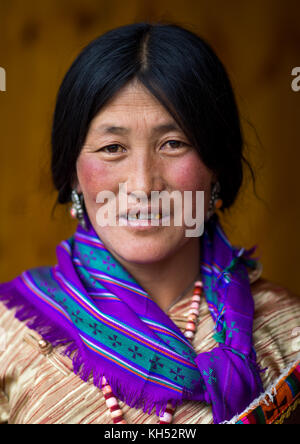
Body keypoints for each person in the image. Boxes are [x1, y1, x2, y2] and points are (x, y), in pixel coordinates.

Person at [0, 22, 299, 425]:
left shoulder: (288, 335)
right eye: (112, 148)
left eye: (173, 144)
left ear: (215, 169)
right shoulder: (10, 336)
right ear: (72, 174)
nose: (142, 185)